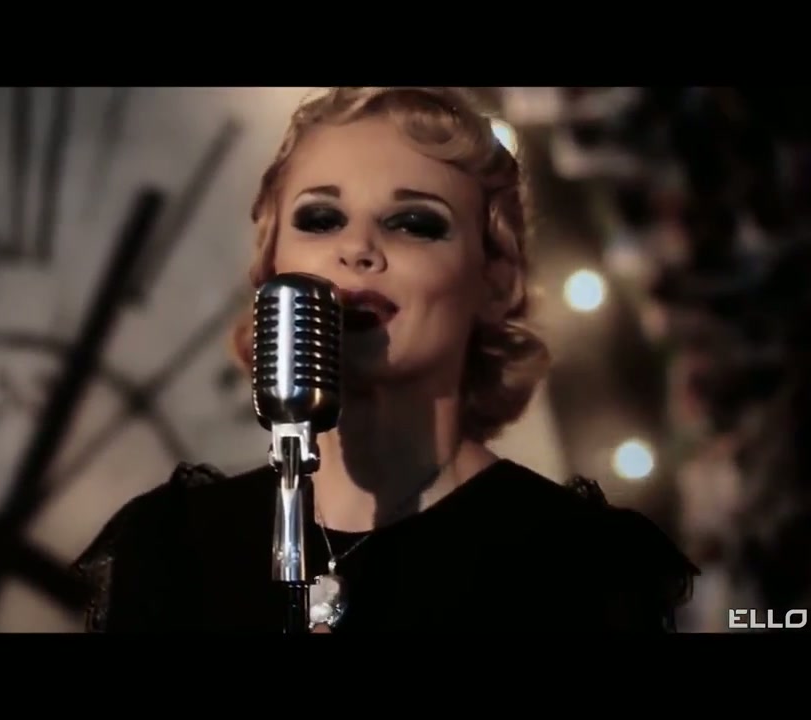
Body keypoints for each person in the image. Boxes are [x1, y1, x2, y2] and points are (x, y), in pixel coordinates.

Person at [71, 87, 699, 632]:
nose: (357, 248)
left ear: (495, 279)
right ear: (271, 265)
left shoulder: (576, 561)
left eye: (413, 222)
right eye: (321, 218)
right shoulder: (176, 546)